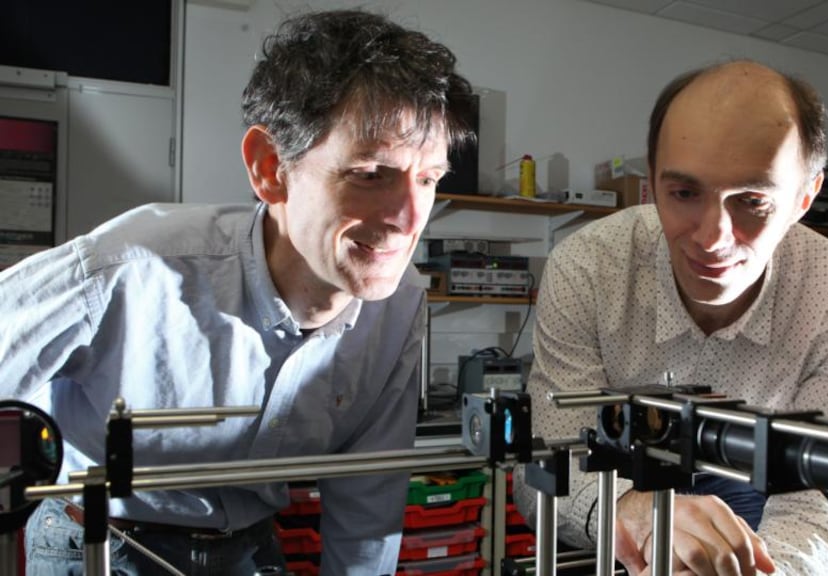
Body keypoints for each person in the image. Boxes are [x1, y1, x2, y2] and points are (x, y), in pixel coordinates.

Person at [0, 8, 475, 576]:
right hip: (98, 542)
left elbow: (368, 491)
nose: (408, 219)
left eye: (427, 179)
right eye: (371, 173)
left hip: (245, 548)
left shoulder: (400, 306)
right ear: (271, 167)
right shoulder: (127, 270)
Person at [514, 59, 828, 575]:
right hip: (615, 485)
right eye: (685, 194)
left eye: (752, 201)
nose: (712, 238)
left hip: (759, 494)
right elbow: (548, 464)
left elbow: (817, 511)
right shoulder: (588, 267)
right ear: (651, 182)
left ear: (804, 198)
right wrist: (634, 516)